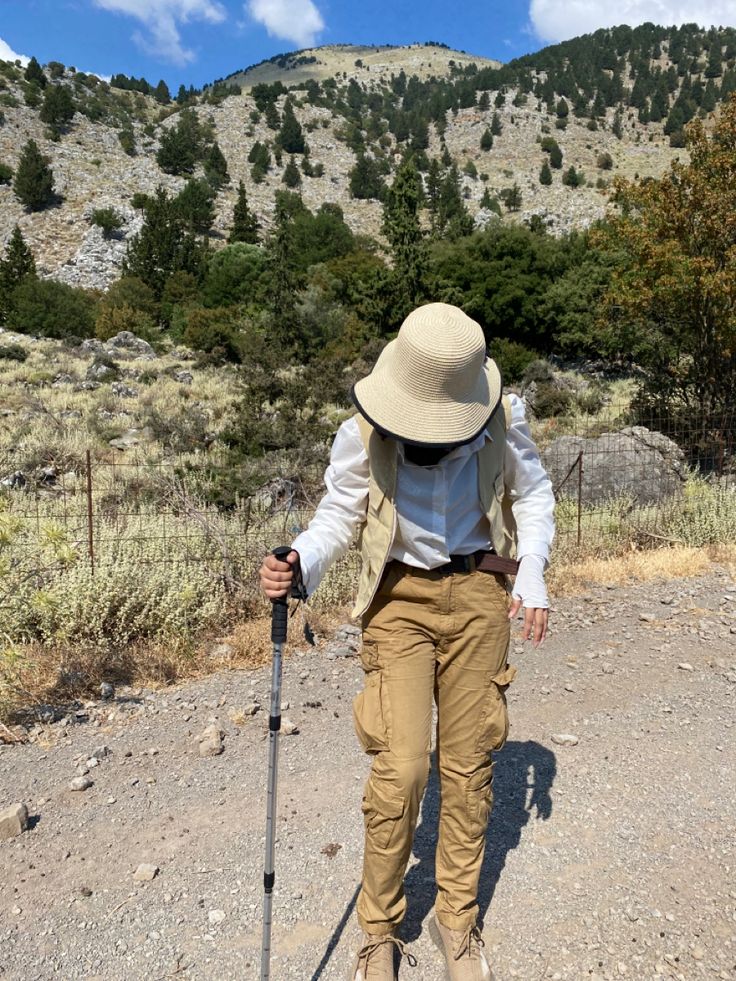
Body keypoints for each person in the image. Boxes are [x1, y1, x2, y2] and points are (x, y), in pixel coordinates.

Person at [260, 303, 555, 981]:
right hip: (398, 600)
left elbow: (534, 498)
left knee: (469, 762)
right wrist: (301, 558)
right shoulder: (361, 430)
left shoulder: (502, 418)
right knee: (401, 767)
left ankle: (457, 919)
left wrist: (532, 573)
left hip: (481, 594)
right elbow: (339, 512)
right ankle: (379, 930)